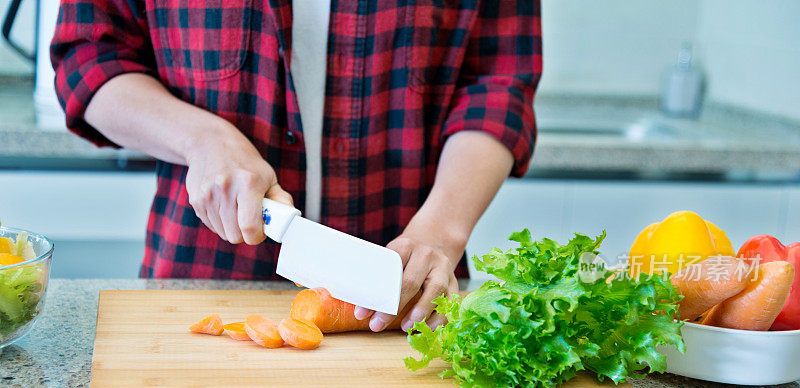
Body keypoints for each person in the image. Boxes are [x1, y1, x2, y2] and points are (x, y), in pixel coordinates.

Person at [51, 1, 542, 332]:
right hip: (201, 281)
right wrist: (201, 138)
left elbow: (499, 83)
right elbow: (90, 58)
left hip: (409, 297)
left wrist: (443, 229)